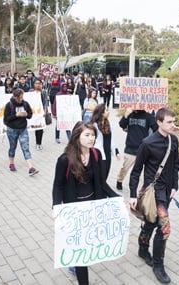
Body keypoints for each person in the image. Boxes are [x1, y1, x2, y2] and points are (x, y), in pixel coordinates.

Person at [52, 121, 119, 285]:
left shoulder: (96, 154)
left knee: (87, 246)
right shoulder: (64, 159)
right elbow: (58, 186)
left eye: (93, 135)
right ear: (77, 136)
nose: (91, 138)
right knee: (81, 251)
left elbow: (101, 183)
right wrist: (56, 207)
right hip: (74, 210)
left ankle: (75, 263)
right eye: (87, 135)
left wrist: (117, 198)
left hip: (92, 208)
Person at [129, 107, 179, 284]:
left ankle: (143, 249)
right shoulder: (147, 143)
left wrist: (175, 185)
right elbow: (136, 171)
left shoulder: (174, 140)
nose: (173, 125)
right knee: (164, 228)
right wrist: (133, 194)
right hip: (153, 192)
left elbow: (175, 165)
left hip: (167, 191)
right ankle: (158, 265)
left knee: (151, 222)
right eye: (169, 122)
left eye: (174, 121)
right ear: (159, 122)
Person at [116, 108, 158, 190]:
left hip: (143, 148)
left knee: (143, 170)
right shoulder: (130, 114)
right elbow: (122, 125)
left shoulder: (148, 117)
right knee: (125, 167)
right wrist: (125, 115)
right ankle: (119, 180)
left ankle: (144, 187)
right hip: (130, 147)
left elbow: (156, 128)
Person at [3, 88, 39, 176]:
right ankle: (11, 163)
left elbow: (30, 115)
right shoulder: (9, 105)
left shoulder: (25, 104)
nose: (21, 99)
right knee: (13, 147)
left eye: (22, 97)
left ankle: (31, 167)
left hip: (23, 129)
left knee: (25, 147)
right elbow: (6, 118)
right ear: (15, 97)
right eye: (19, 98)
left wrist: (26, 114)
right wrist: (16, 115)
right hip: (12, 129)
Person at [90, 104, 120, 181]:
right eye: (106, 110)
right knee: (100, 175)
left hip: (107, 154)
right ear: (101, 113)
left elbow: (112, 138)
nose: (108, 112)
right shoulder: (94, 125)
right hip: (98, 154)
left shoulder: (107, 123)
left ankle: (102, 188)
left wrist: (116, 151)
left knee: (106, 173)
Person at [33, 78, 47, 150]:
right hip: (34, 112)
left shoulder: (43, 92)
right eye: (36, 83)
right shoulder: (31, 92)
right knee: (36, 127)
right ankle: (36, 143)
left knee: (40, 128)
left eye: (39, 83)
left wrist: (45, 111)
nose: (38, 85)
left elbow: (45, 102)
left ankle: (39, 143)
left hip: (41, 112)